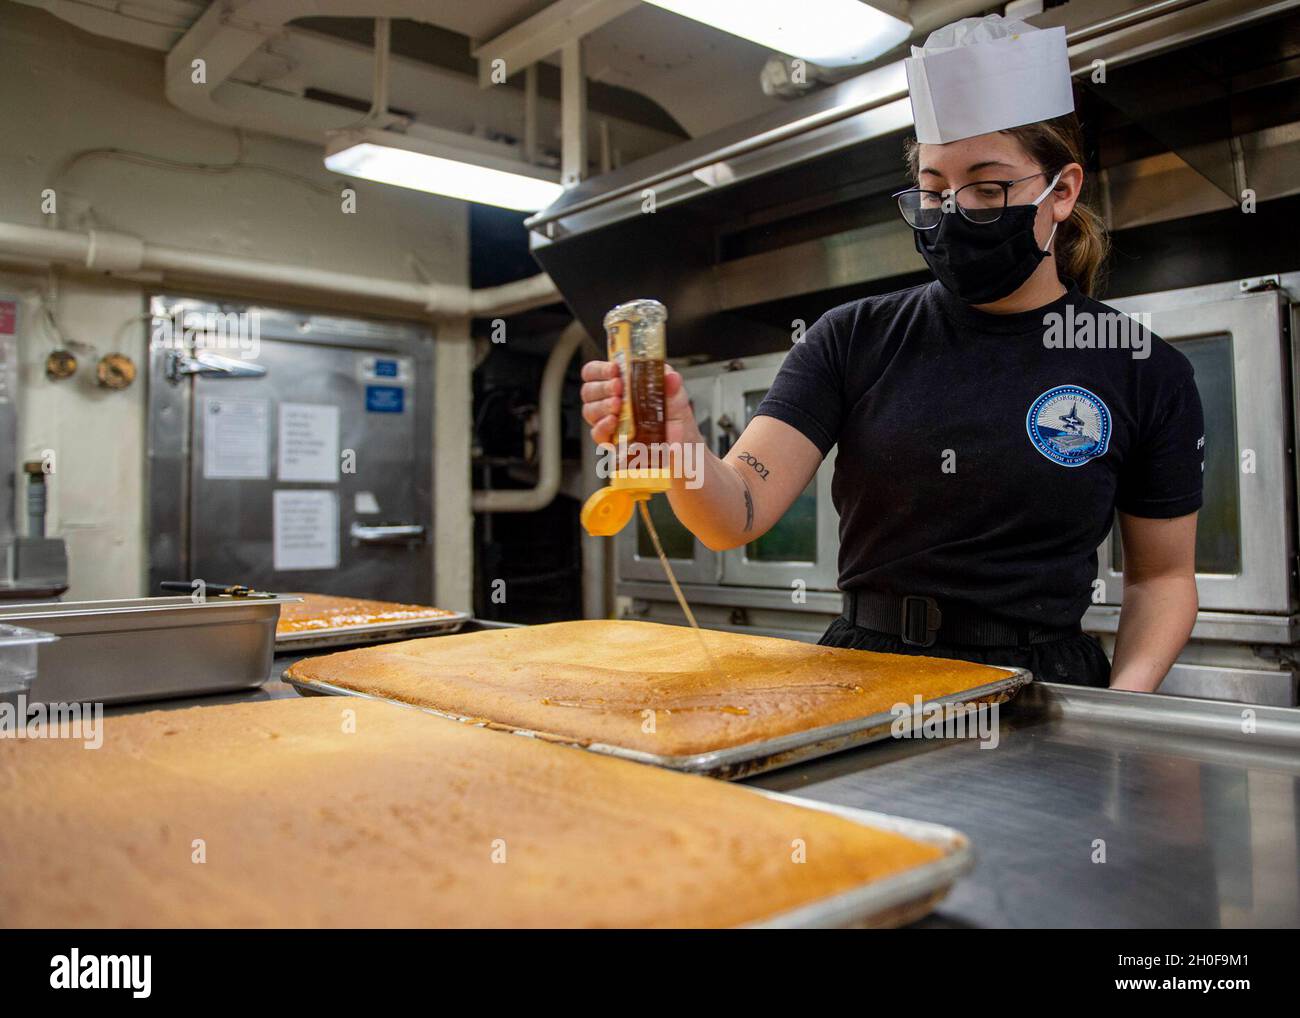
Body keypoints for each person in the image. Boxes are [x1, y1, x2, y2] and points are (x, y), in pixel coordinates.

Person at [580, 15, 1203, 691]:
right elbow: (737, 512)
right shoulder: (852, 337)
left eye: (988, 189)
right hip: (866, 673)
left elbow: (1163, 579)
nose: (955, 213)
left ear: (1064, 191)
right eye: (934, 191)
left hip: (1043, 688)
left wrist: (1121, 709)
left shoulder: (1143, 369)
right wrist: (681, 445)